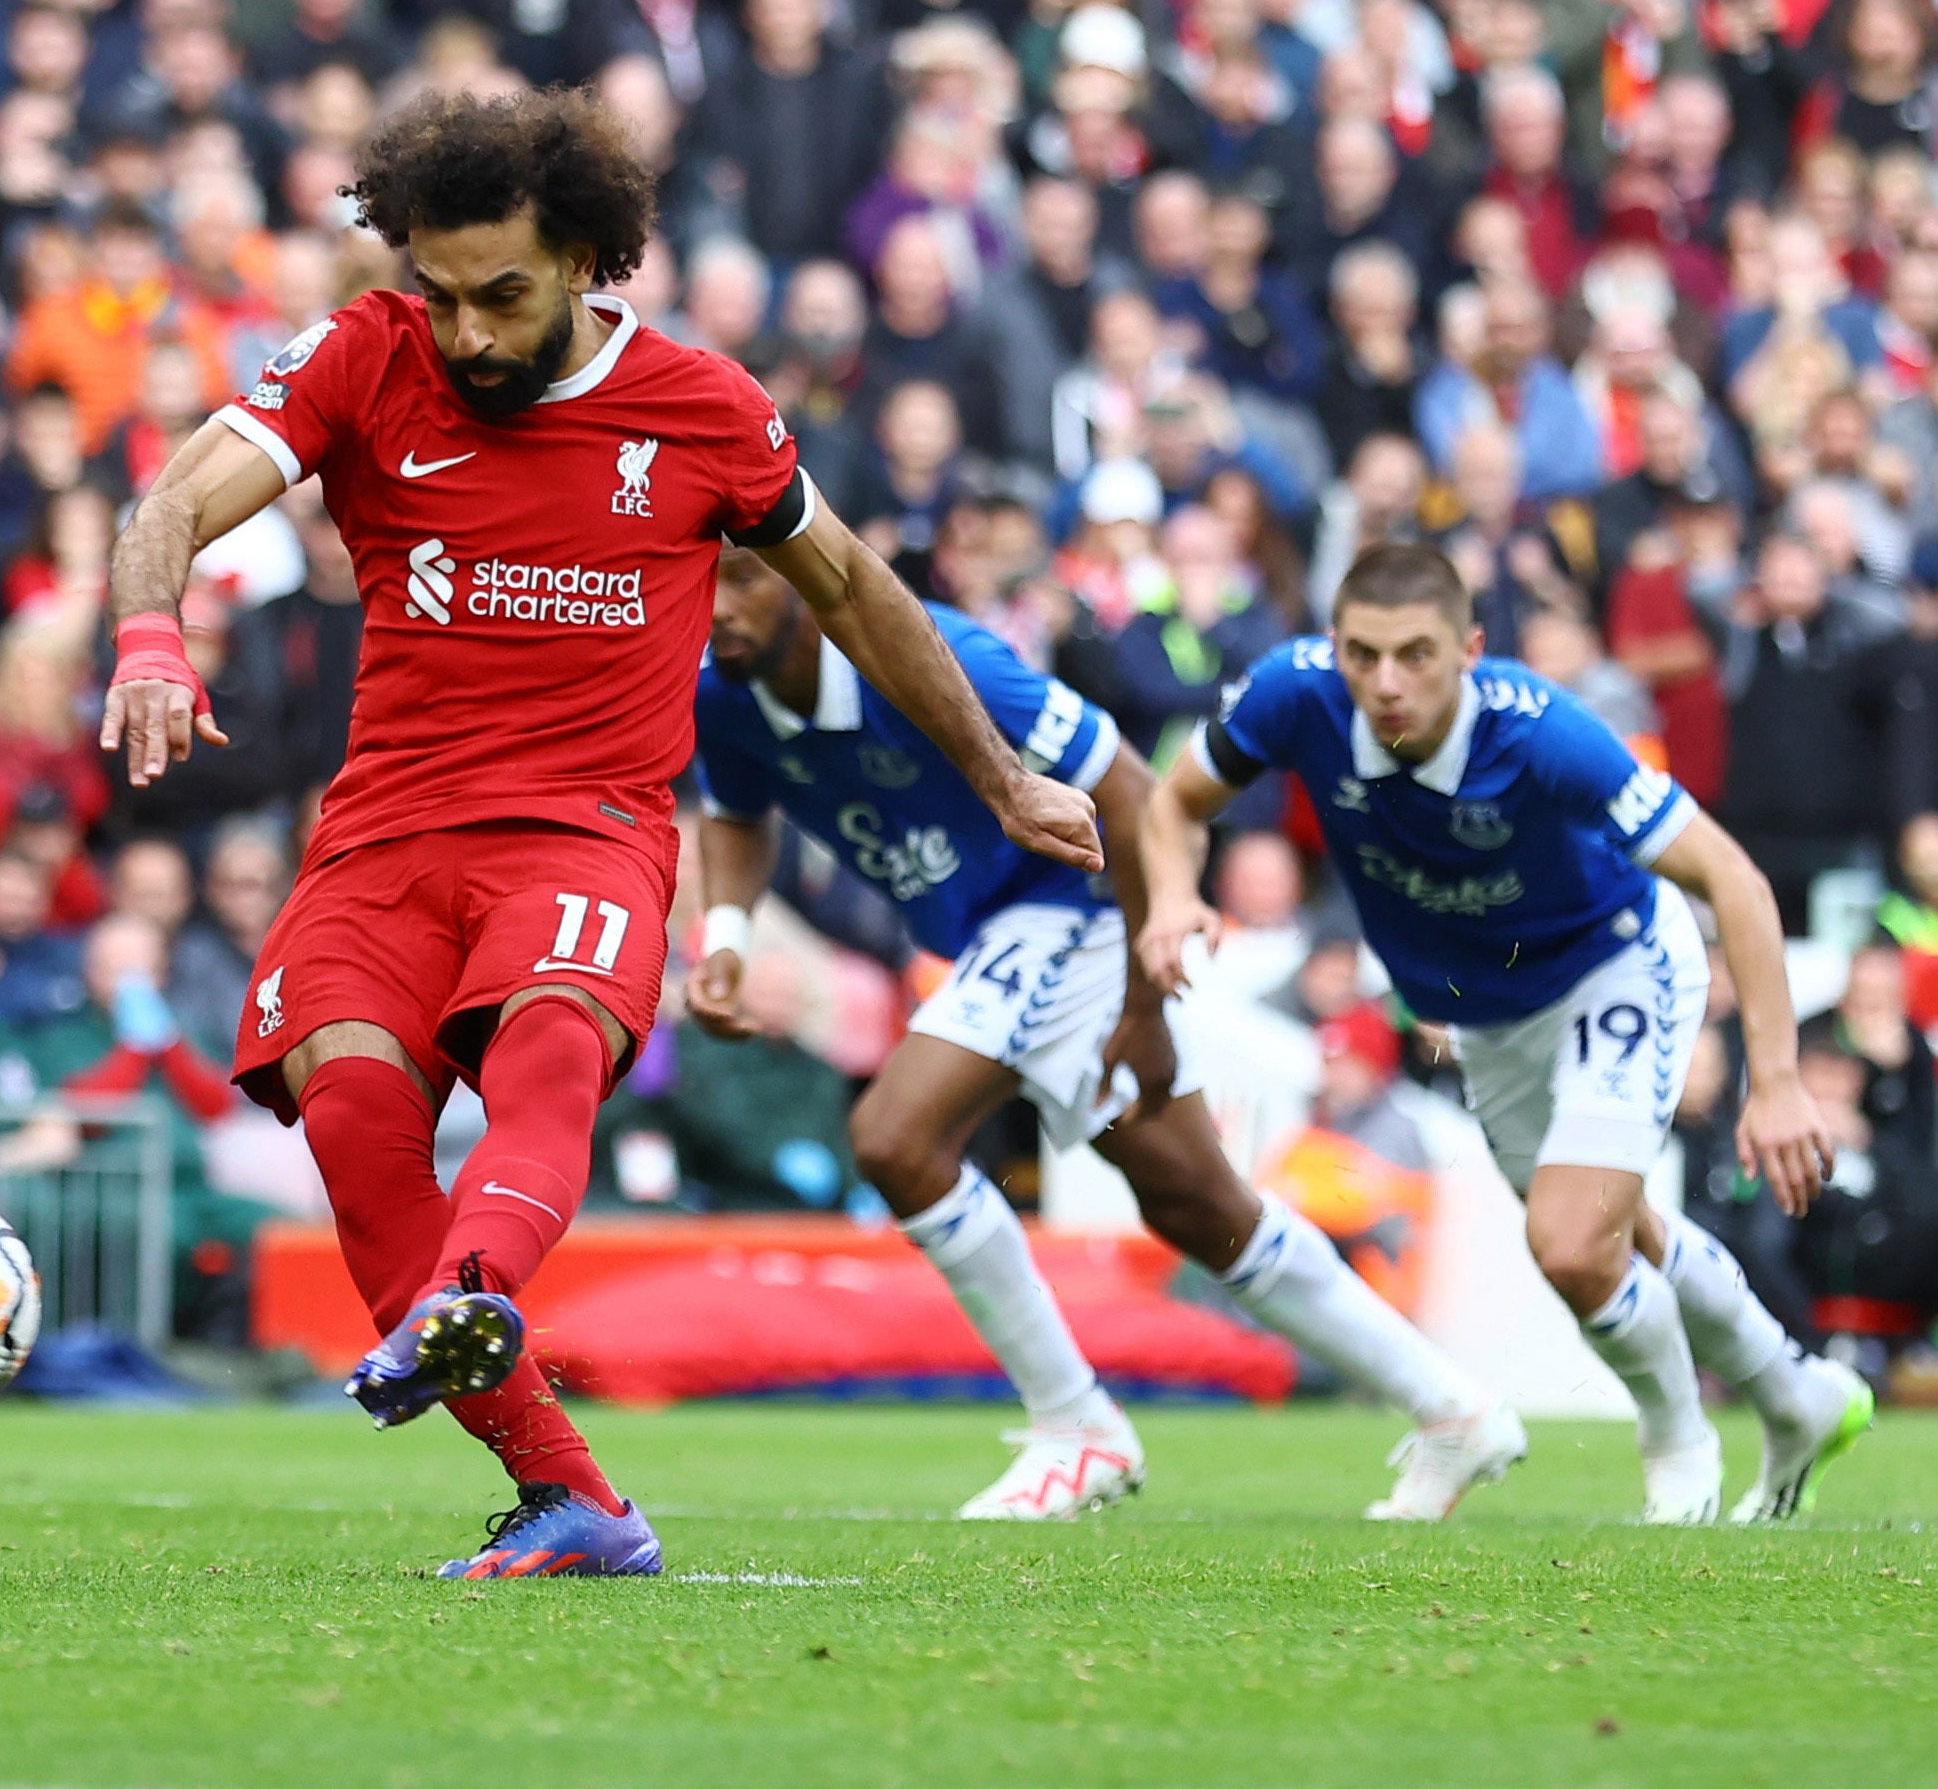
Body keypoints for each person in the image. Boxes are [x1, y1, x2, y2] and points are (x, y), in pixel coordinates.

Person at [98, 89, 1101, 1579]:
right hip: (381, 837)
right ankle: (576, 1500)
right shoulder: (366, 356)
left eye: (500, 294)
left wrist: (1001, 774)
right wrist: (147, 639)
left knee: (546, 1048)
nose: (468, 335)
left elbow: (855, 591)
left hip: (583, 833)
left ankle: (478, 1285)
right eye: (438, 293)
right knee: (359, 1127)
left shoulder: (699, 407)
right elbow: (173, 497)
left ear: (583, 261)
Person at [691, 545, 1515, 1520]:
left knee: (892, 1138)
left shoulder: (945, 657)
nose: (714, 607)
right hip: (992, 939)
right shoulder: (722, 695)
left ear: (808, 573)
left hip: (1072, 907)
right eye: (695, 577)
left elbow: (1129, 790)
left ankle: (1073, 1424)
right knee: (1195, 1205)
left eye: (741, 575)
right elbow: (736, 815)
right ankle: (1451, 1408)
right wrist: (728, 936)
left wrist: (1141, 1004)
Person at [1139, 543, 1873, 1524]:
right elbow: (1175, 801)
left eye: (1414, 655)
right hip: (1487, 1015)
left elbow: (1731, 879)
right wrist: (1172, 895)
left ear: (1469, 649)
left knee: (1572, 1244)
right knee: (1619, 1232)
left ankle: (1674, 1443)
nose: (1385, 684)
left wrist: (1774, 1079)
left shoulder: (1542, 735)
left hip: (1613, 964)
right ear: (1332, 646)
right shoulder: (1290, 695)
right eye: (1361, 654)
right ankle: (1794, 1395)